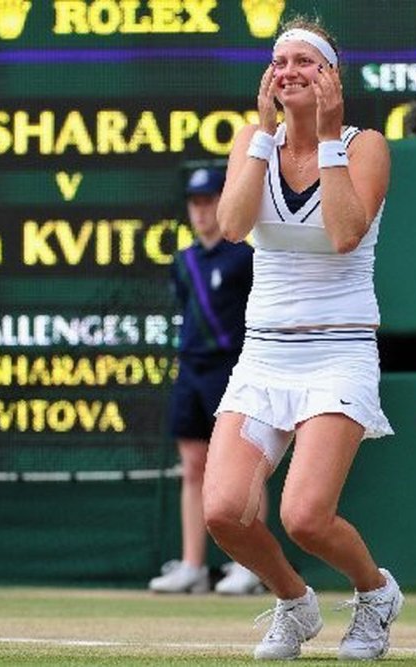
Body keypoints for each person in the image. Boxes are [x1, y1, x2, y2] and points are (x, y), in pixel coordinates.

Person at [201, 17, 403, 661]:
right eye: (280, 61)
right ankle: (295, 603)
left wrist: (328, 136)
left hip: (338, 354)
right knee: (223, 511)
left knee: (305, 517)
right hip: (263, 354)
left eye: (305, 61)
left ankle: (375, 593)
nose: (289, 71)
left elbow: (344, 233)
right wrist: (264, 135)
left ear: (331, 77)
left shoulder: (366, 146)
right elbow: (233, 226)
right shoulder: (251, 140)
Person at [148, 166, 267, 596]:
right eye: (195, 203)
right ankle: (193, 566)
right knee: (193, 467)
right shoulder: (183, 262)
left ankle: (250, 567)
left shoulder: (246, 258)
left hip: (233, 369)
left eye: (209, 201)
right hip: (191, 371)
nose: (201, 211)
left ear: (224, 202)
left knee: (244, 467)